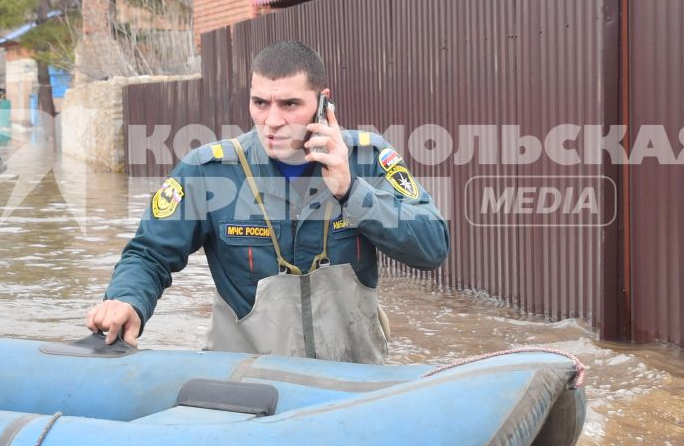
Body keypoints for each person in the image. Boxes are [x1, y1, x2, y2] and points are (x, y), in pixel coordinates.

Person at [85, 41, 449, 363]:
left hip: (350, 385)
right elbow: (149, 254)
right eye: (260, 103)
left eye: (290, 104)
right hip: (245, 391)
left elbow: (432, 248)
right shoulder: (208, 170)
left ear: (323, 102)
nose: (272, 120)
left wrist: (351, 190)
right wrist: (128, 299)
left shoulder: (368, 157)